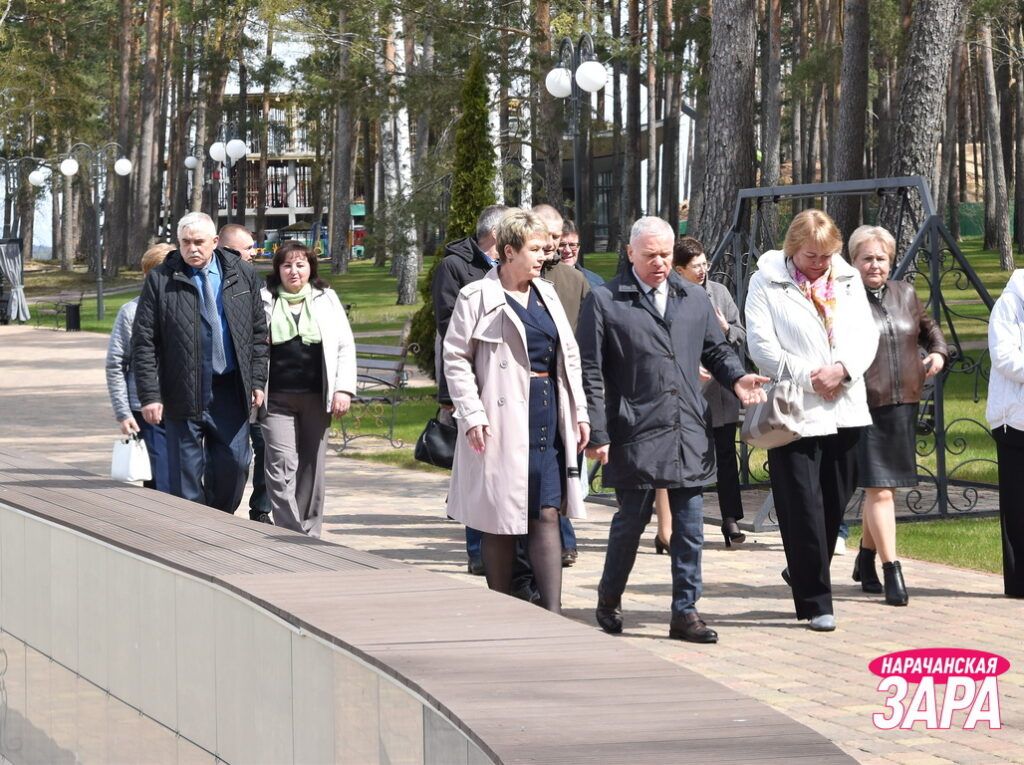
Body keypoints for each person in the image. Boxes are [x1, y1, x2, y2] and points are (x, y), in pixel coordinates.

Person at [579, 216, 768, 643]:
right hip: (634, 427)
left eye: (666, 254)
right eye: (650, 256)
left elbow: (716, 350)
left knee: (690, 524)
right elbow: (590, 370)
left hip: (687, 427)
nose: (660, 263)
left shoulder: (694, 298)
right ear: (630, 254)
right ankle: (609, 599)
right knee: (632, 520)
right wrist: (598, 430)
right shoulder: (606, 301)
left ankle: (685, 611)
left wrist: (737, 379)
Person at [443, 209, 590, 614]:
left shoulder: (548, 294)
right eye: (535, 249)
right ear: (509, 252)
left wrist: (580, 413)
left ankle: (553, 613)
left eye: (546, 249)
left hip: (547, 412)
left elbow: (569, 357)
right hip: (499, 419)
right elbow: (455, 358)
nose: (544, 256)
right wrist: (472, 414)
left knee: (546, 511)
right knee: (500, 517)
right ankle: (502, 609)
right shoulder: (476, 296)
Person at [745, 209, 879, 631]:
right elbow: (761, 344)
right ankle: (817, 601)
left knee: (836, 498)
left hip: (845, 403)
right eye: (810, 256)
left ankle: (804, 569)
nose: (819, 263)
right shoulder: (766, 281)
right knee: (801, 504)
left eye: (825, 255)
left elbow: (865, 335)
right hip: (796, 411)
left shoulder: (848, 280)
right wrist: (809, 377)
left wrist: (842, 369)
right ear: (792, 249)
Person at [132, 212, 269, 515]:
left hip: (230, 389)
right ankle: (198, 530)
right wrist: (151, 396)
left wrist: (257, 380)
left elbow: (259, 333)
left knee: (234, 466)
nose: (192, 249)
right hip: (183, 390)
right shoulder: (161, 279)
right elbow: (143, 343)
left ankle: (216, 520)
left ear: (215, 242)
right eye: (185, 242)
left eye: (199, 242)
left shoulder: (242, 274)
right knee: (186, 478)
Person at [849, 225, 947, 606]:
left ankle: (865, 558)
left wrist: (938, 352)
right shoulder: (843, 297)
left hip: (904, 399)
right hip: (864, 402)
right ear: (853, 261)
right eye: (867, 258)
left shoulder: (904, 293)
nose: (875, 265)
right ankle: (893, 570)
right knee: (880, 489)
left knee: (883, 485)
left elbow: (928, 329)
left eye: (881, 258)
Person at [259, 241, 356, 537]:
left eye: (300, 264)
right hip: (276, 398)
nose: (294, 271)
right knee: (281, 465)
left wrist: (343, 389)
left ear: (311, 267)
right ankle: (290, 529)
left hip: (317, 395)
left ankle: (310, 532)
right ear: (278, 269)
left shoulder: (326, 298)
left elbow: (344, 345)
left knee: (312, 468)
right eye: (287, 265)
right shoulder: (264, 298)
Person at [432, 204, 508, 575]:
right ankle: (478, 551)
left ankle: (508, 548)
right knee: (477, 467)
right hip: (473, 383)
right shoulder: (455, 266)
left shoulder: (511, 269)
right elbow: (449, 327)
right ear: (497, 234)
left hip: (508, 383)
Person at [670, 236, 748, 548]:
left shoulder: (720, 293)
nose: (703, 270)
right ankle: (683, 522)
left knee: (727, 456)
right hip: (688, 394)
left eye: (705, 264)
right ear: (679, 270)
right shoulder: (671, 297)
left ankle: (730, 520)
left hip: (722, 392)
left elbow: (741, 334)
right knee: (690, 460)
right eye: (695, 266)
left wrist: (726, 328)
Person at [105, 243, 174, 493]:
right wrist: (123, 413)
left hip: (185, 406)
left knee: (185, 478)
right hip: (145, 409)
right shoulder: (130, 312)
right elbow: (115, 364)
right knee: (161, 481)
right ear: (148, 275)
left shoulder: (189, 306)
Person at [219, 223, 271, 524]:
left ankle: (261, 509)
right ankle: (221, 508)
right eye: (248, 248)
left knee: (263, 446)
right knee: (231, 458)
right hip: (228, 387)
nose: (254, 253)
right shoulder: (215, 285)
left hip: (258, 384)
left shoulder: (256, 284)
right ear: (227, 248)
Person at [986, 266, 1024, 598]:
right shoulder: (1011, 304)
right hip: (1015, 420)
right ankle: (1019, 582)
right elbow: (1004, 357)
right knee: (1017, 505)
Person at [559, 219, 604, 288]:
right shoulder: (542, 282)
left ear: (578, 248)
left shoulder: (596, 282)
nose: (567, 250)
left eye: (572, 245)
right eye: (562, 245)